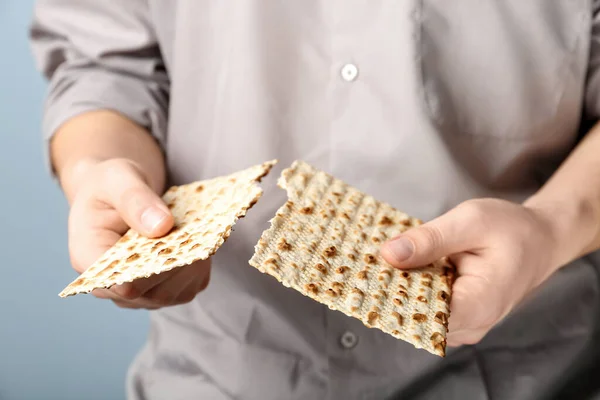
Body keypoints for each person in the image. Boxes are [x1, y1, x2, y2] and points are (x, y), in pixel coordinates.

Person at [29, 1, 600, 399]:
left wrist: (552, 225)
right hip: (220, 375)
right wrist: (101, 170)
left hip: (532, 372)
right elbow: (105, 66)